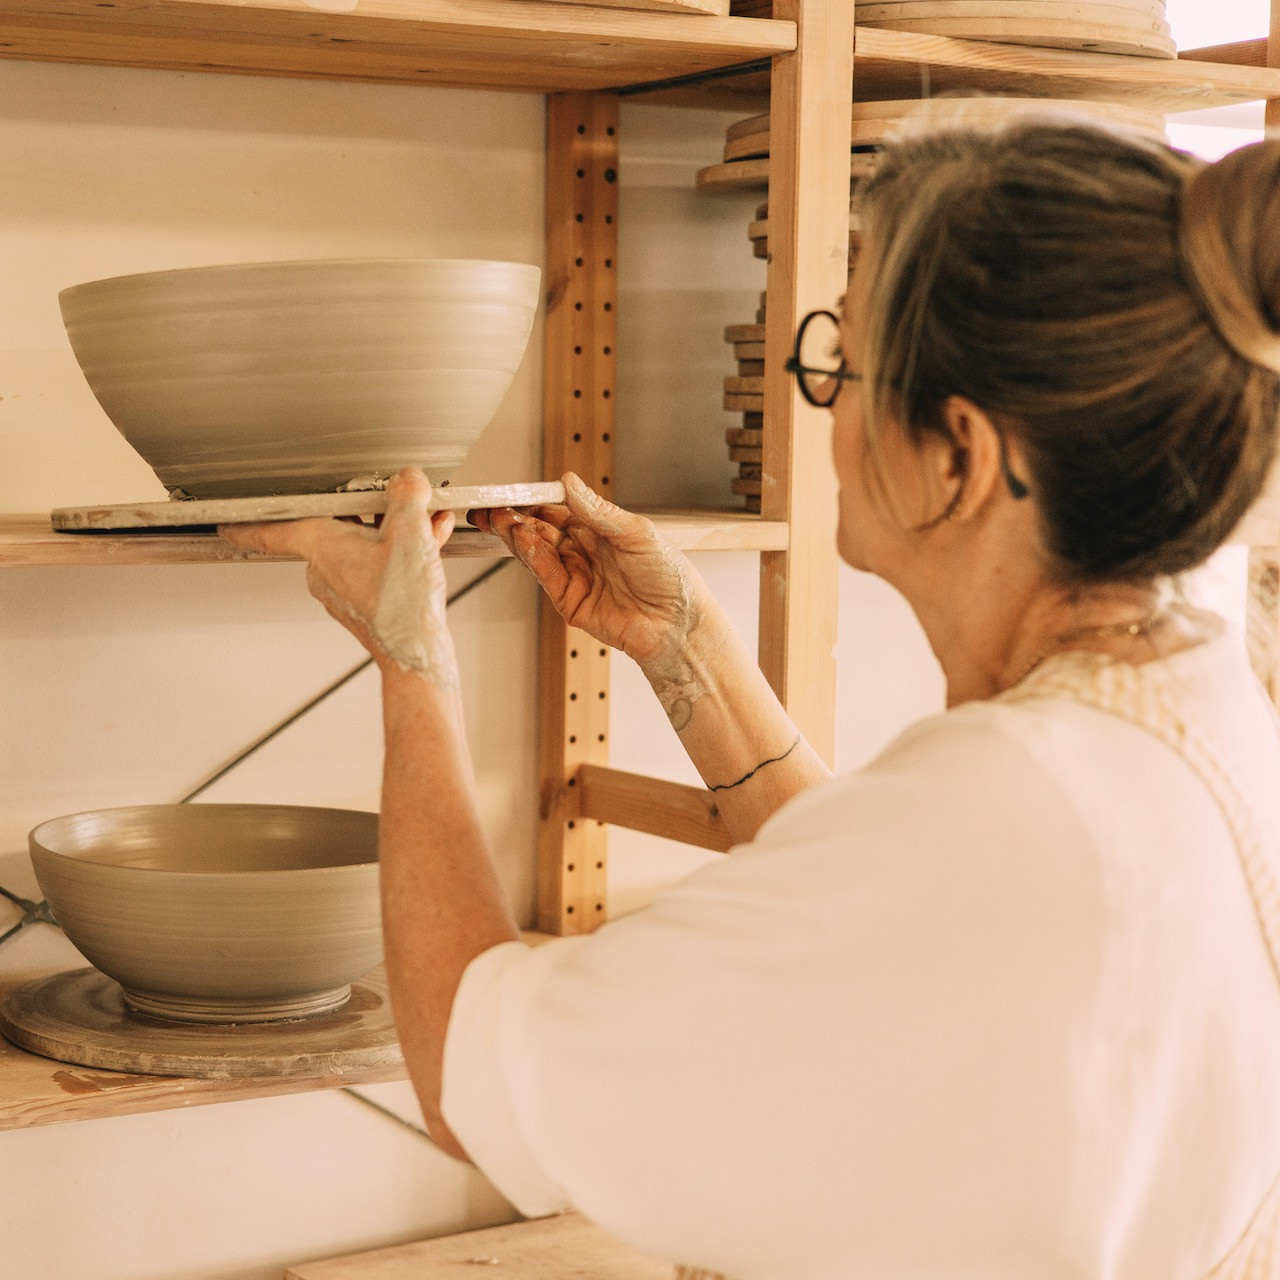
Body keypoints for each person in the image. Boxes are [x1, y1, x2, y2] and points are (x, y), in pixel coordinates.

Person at [222, 120, 1280, 1280]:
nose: (816, 402)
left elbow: (470, 1069)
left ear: (961, 457)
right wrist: (690, 651)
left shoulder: (1014, 803)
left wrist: (412, 662)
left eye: (838, 365)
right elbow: (884, 912)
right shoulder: (1202, 694)